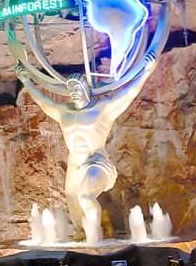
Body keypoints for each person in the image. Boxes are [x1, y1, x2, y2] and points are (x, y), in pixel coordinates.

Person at [17, 70, 145, 244]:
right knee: (72, 198)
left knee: (85, 196)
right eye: (71, 90)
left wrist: (146, 71)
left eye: (77, 88)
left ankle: (94, 237)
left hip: (96, 161)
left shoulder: (101, 109)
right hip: (75, 163)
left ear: (86, 89)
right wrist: (26, 81)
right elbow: (43, 101)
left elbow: (128, 95)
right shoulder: (63, 112)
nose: (74, 93)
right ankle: (82, 233)